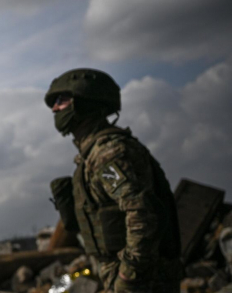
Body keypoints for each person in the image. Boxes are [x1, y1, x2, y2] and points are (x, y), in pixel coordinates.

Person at [45, 69, 181, 293]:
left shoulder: (108, 154)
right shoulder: (92, 155)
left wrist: (127, 277)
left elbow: (142, 214)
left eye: (62, 100)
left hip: (143, 282)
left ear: (84, 102)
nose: (55, 108)